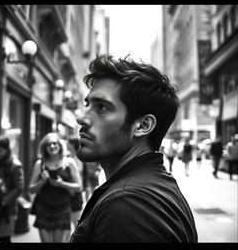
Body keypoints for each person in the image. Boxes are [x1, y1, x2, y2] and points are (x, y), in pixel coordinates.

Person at [69, 54, 198, 242]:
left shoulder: (128, 205)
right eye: (88, 104)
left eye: (102, 107)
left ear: (143, 125)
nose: (82, 118)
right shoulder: (148, 187)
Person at [29, 132, 82, 242]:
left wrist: (61, 184)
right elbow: (31, 189)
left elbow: (79, 187)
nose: (52, 146)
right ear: (44, 147)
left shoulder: (69, 163)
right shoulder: (40, 164)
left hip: (62, 207)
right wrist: (42, 181)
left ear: (60, 145)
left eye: (54, 143)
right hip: (43, 207)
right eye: (48, 144)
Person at [67, 137, 85, 233]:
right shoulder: (67, 157)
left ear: (73, 144)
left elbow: (80, 174)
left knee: (76, 223)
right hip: (67, 193)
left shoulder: (80, 157)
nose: (66, 144)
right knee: (66, 225)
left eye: (68, 142)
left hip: (76, 194)